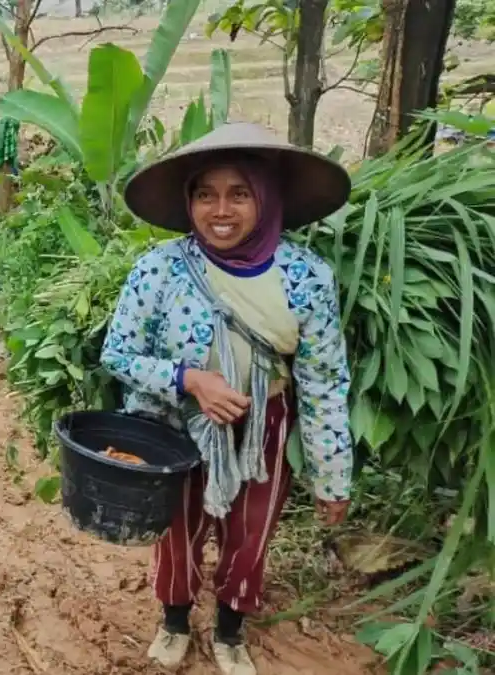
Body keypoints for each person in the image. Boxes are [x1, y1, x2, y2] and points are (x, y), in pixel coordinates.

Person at [100, 123, 354, 675]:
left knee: (250, 534)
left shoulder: (306, 278)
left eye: (240, 193)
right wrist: (190, 380)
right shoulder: (161, 270)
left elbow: (324, 380)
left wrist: (334, 478)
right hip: (175, 424)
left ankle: (232, 630)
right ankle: (173, 620)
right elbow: (117, 354)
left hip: (266, 425)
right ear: (188, 200)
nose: (221, 209)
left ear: (266, 199)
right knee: (177, 530)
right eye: (205, 193)